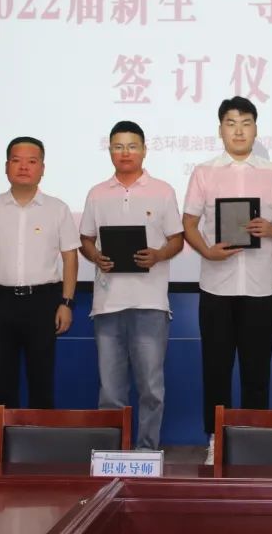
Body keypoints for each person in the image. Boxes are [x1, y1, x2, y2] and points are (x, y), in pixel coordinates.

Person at [183, 97, 272, 464]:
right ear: (220, 130)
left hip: (259, 288)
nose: (238, 130)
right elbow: (188, 223)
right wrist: (207, 251)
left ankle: (253, 441)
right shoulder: (204, 172)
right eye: (231, 123)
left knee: (256, 371)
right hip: (216, 286)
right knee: (216, 369)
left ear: (256, 129)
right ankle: (215, 440)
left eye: (246, 123)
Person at [79, 121, 184, 451]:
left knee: (151, 388)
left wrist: (158, 255)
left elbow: (177, 239)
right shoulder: (97, 193)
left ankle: (147, 452)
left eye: (132, 146)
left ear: (144, 150)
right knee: (110, 391)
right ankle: (111, 453)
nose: (125, 152)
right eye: (118, 146)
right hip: (107, 304)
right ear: (110, 150)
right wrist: (95, 256)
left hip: (150, 303)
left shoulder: (163, 191)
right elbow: (85, 239)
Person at [0, 137, 80, 410]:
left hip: (43, 302)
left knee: (41, 381)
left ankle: (41, 439)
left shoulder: (57, 209)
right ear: (6, 166)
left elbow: (70, 258)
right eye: (16, 161)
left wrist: (66, 303)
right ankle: (4, 438)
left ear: (42, 168)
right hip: (0, 301)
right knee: (2, 382)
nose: (23, 167)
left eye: (32, 161)